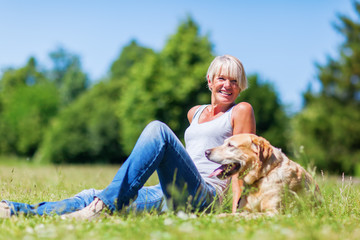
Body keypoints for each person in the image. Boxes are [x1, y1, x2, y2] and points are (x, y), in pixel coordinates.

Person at [0, 54, 256, 220]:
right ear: (210, 81)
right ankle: (16, 210)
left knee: (158, 130)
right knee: (92, 194)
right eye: (222, 78)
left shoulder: (240, 111)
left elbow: (244, 165)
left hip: (205, 195)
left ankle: (101, 209)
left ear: (240, 85)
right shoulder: (195, 113)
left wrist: (236, 210)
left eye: (235, 80)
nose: (228, 85)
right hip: (170, 191)